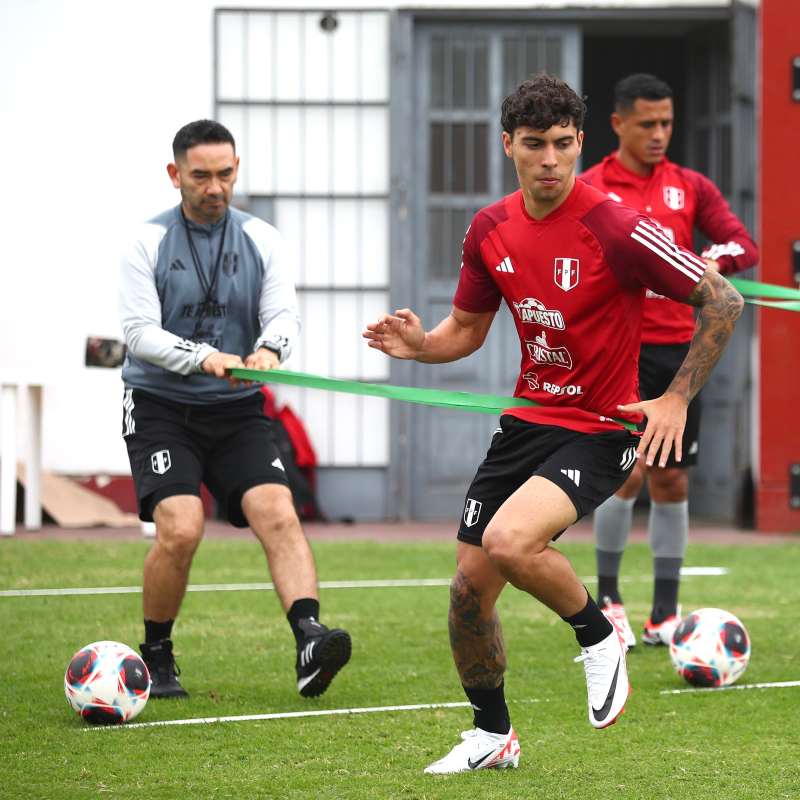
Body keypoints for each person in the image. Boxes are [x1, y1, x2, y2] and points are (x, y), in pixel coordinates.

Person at [363, 74, 743, 774]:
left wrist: (676, 398)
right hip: (527, 422)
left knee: (511, 541)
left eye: (563, 145)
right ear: (508, 144)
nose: (549, 160)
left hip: (601, 426)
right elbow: (466, 332)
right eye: (534, 144)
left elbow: (723, 299)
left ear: (579, 144)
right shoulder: (491, 228)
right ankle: (491, 734)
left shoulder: (619, 227)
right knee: (468, 588)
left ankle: (600, 639)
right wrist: (419, 345)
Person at [119, 119, 351, 699]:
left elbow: (283, 315)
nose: (215, 187)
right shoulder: (145, 242)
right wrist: (203, 358)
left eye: (225, 174)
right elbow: (138, 333)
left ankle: (309, 638)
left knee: (279, 511)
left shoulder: (262, 239)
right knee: (180, 527)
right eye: (200, 176)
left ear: (236, 170)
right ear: (176, 176)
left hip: (237, 409)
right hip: (161, 406)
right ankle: (158, 654)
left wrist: (270, 349)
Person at [582, 74, 758, 648]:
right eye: (647, 124)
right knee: (627, 472)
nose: (659, 134)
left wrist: (705, 259)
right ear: (618, 125)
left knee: (672, 478)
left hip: (680, 358)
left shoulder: (689, 186)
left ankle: (664, 610)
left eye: (667, 123)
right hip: (620, 353)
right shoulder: (592, 188)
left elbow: (743, 245)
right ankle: (608, 602)